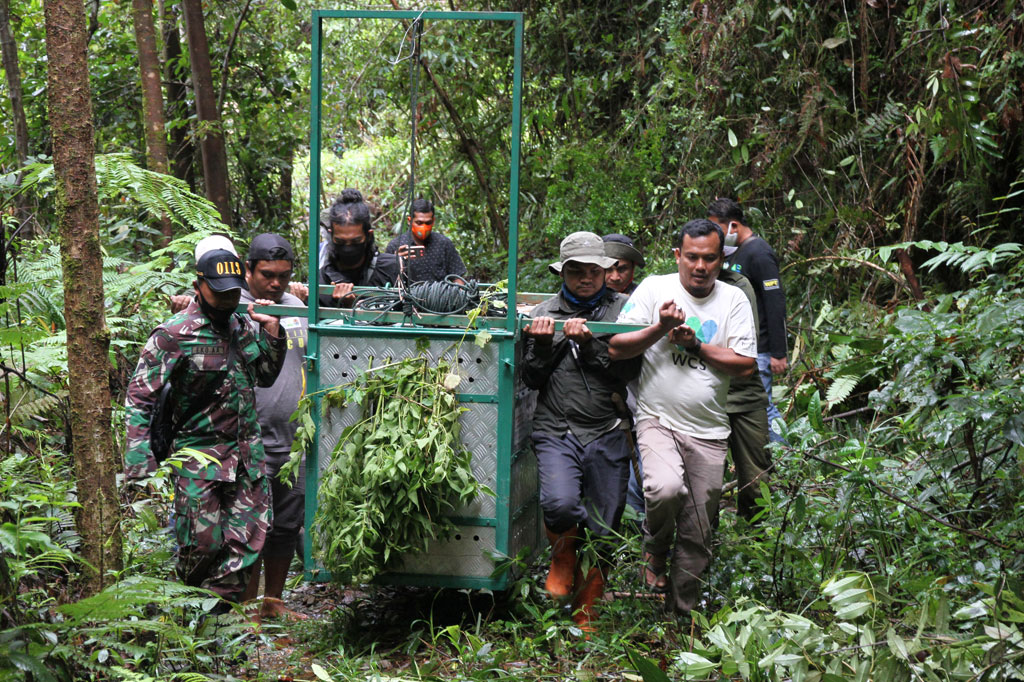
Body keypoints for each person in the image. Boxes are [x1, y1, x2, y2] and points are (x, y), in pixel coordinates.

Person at [609, 219, 756, 616]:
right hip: (658, 417)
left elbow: (744, 365)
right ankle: (655, 548)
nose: (700, 266)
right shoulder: (655, 289)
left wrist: (696, 345)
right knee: (663, 489)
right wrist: (661, 326)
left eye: (710, 258)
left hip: (709, 429)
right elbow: (617, 347)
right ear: (678, 255)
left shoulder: (733, 300)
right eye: (691, 257)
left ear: (721, 258)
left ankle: (679, 618)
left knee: (698, 531)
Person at [124, 248, 286, 609]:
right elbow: (139, 399)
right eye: (219, 292)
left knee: (249, 541)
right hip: (198, 459)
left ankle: (216, 624)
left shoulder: (243, 325)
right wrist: (141, 468)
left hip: (246, 458)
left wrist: (273, 334)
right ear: (199, 286)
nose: (228, 300)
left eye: (233, 291)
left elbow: (264, 376)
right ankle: (184, 616)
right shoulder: (174, 334)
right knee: (201, 546)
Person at [522, 231, 641, 633]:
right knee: (559, 505)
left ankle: (587, 608)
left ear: (607, 273)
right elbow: (532, 379)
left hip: (608, 428)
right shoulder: (543, 311)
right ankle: (563, 558)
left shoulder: (625, 311)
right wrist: (541, 344)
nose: (585, 279)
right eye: (576, 272)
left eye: (594, 271)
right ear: (563, 272)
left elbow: (626, 373)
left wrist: (590, 346)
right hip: (557, 426)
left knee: (606, 526)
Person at [235, 234, 309, 622]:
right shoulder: (232, 305)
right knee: (250, 527)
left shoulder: (296, 306)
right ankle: (246, 610)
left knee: (285, 525)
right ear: (248, 271)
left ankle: (274, 602)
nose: (275, 283)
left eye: (283, 275)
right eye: (267, 275)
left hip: (294, 439)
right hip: (248, 439)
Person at [707, 198, 788, 442]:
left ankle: (787, 462)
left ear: (733, 226)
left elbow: (775, 303)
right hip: (740, 346)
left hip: (760, 348)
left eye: (717, 229)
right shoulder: (735, 252)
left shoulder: (759, 252)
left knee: (764, 406)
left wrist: (778, 352)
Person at [319, 189, 400, 307]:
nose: (348, 248)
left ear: (368, 235)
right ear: (331, 235)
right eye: (340, 241)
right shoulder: (322, 279)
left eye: (356, 241)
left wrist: (356, 306)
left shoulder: (392, 270)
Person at [385, 198, 467, 283]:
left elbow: (457, 277)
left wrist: (459, 293)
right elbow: (386, 280)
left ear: (433, 221)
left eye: (428, 223)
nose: (423, 227)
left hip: (438, 294)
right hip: (407, 295)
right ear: (409, 221)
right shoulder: (396, 245)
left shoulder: (444, 244)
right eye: (419, 223)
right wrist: (395, 261)